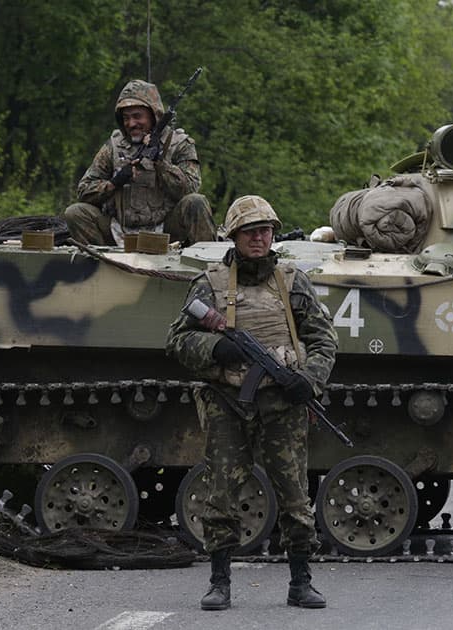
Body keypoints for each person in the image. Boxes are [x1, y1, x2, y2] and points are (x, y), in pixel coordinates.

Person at [165, 195, 338, 610]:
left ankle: (301, 581)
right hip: (228, 401)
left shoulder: (293, 281)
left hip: (283, 405)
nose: (259, 238)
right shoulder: (210, 283)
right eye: (250, 232)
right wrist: (215, 350)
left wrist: (308, 380)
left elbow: (323, 339)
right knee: (221, 492)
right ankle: (219, 582)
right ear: (235, 237)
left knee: (295, 495)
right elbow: (177, 340)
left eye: (265, 231)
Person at [64, 79, 216, 246]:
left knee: (196, 202)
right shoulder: (113, 147)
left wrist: (160, 163)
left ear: (153, 115)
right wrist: (114, 183)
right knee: (75, 212)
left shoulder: (179, 144)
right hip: (119, 230)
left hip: (166, 230)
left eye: (137, 117)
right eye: (126, 118)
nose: (131, 124)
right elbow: (84, 190)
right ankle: (98, 265)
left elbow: (190, 188)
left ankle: (207, 266)